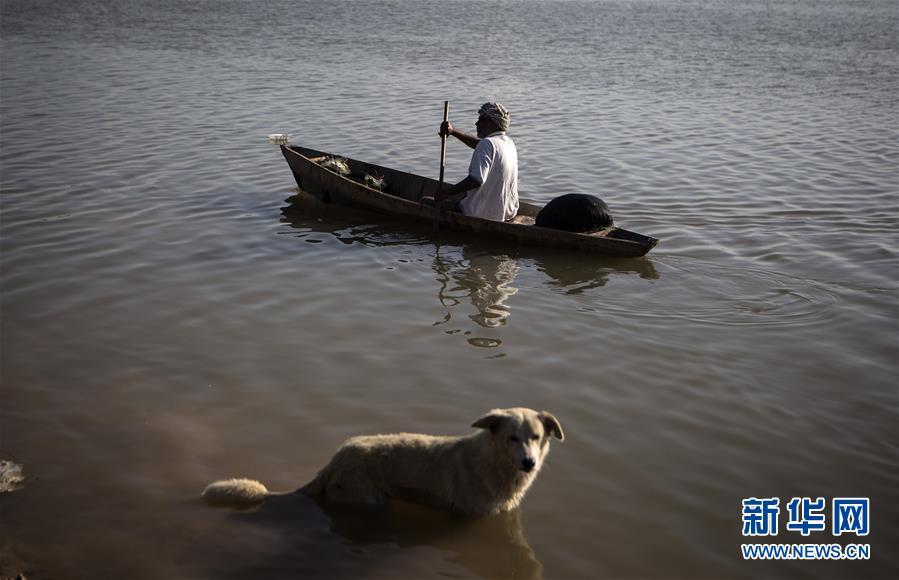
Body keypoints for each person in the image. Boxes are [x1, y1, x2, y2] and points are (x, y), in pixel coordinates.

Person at [436, 102, 519, 222]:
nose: (476, 123)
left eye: (481, 120)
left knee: (425, 201)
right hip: (508, 212)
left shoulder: (487, 144)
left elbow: (476, 179)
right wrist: (453, 131)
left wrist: (447, 193)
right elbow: (479, 144)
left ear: (491, 123)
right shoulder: (508, 143)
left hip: (481, 214)